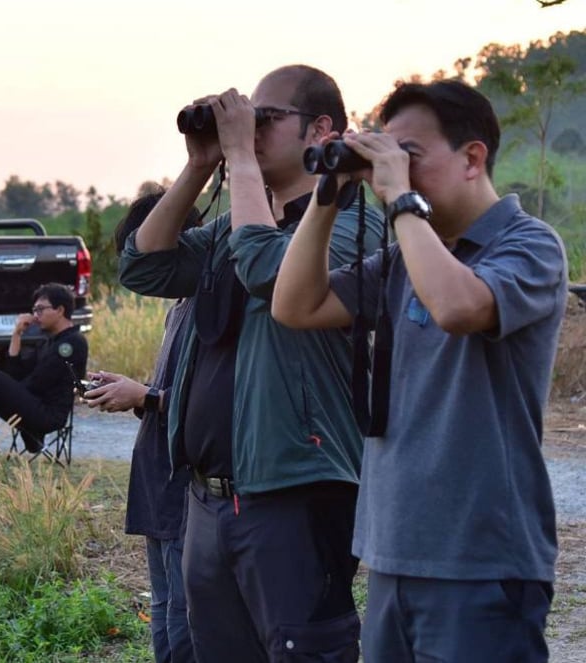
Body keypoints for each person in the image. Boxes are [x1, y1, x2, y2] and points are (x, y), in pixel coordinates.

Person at [271, 79, 565, 662]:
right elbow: (294, 306)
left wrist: (402, 201)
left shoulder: (531, 245)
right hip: (393, 553)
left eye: (409, 156)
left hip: (482, 561)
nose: (391, 173)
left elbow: (458, 307)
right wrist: (326, 195)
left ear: (472, 158)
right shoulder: (410, 253)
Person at [119, 64, 384, 662]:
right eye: (247, 120)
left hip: (294, 492)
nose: (251, 131)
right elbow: (144, 266)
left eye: (266, 119)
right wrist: (199, 164)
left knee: (302, 650)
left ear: (320, 131)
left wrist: (238, 157)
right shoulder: (228, 227)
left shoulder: (352, 227)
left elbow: (269, 270)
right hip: (210, 499)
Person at [84, 191, 200, 663]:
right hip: (158, 482)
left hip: (184, 485)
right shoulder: (179, 308)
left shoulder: (213, 310)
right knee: (162, 608)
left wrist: (147, 395)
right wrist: (136, 392)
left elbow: (221, 408)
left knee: (182, 615)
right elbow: (173, 392)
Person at [0, 282, 88, 451]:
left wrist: (4, 389)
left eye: (40, 309)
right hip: (34, 403)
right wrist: (16, 334)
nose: (35, 315)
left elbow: (37, 384)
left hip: (47, 414)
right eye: (34, 310)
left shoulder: (71, 343)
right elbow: (16, 373)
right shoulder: (48, 341)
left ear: (60, 310)